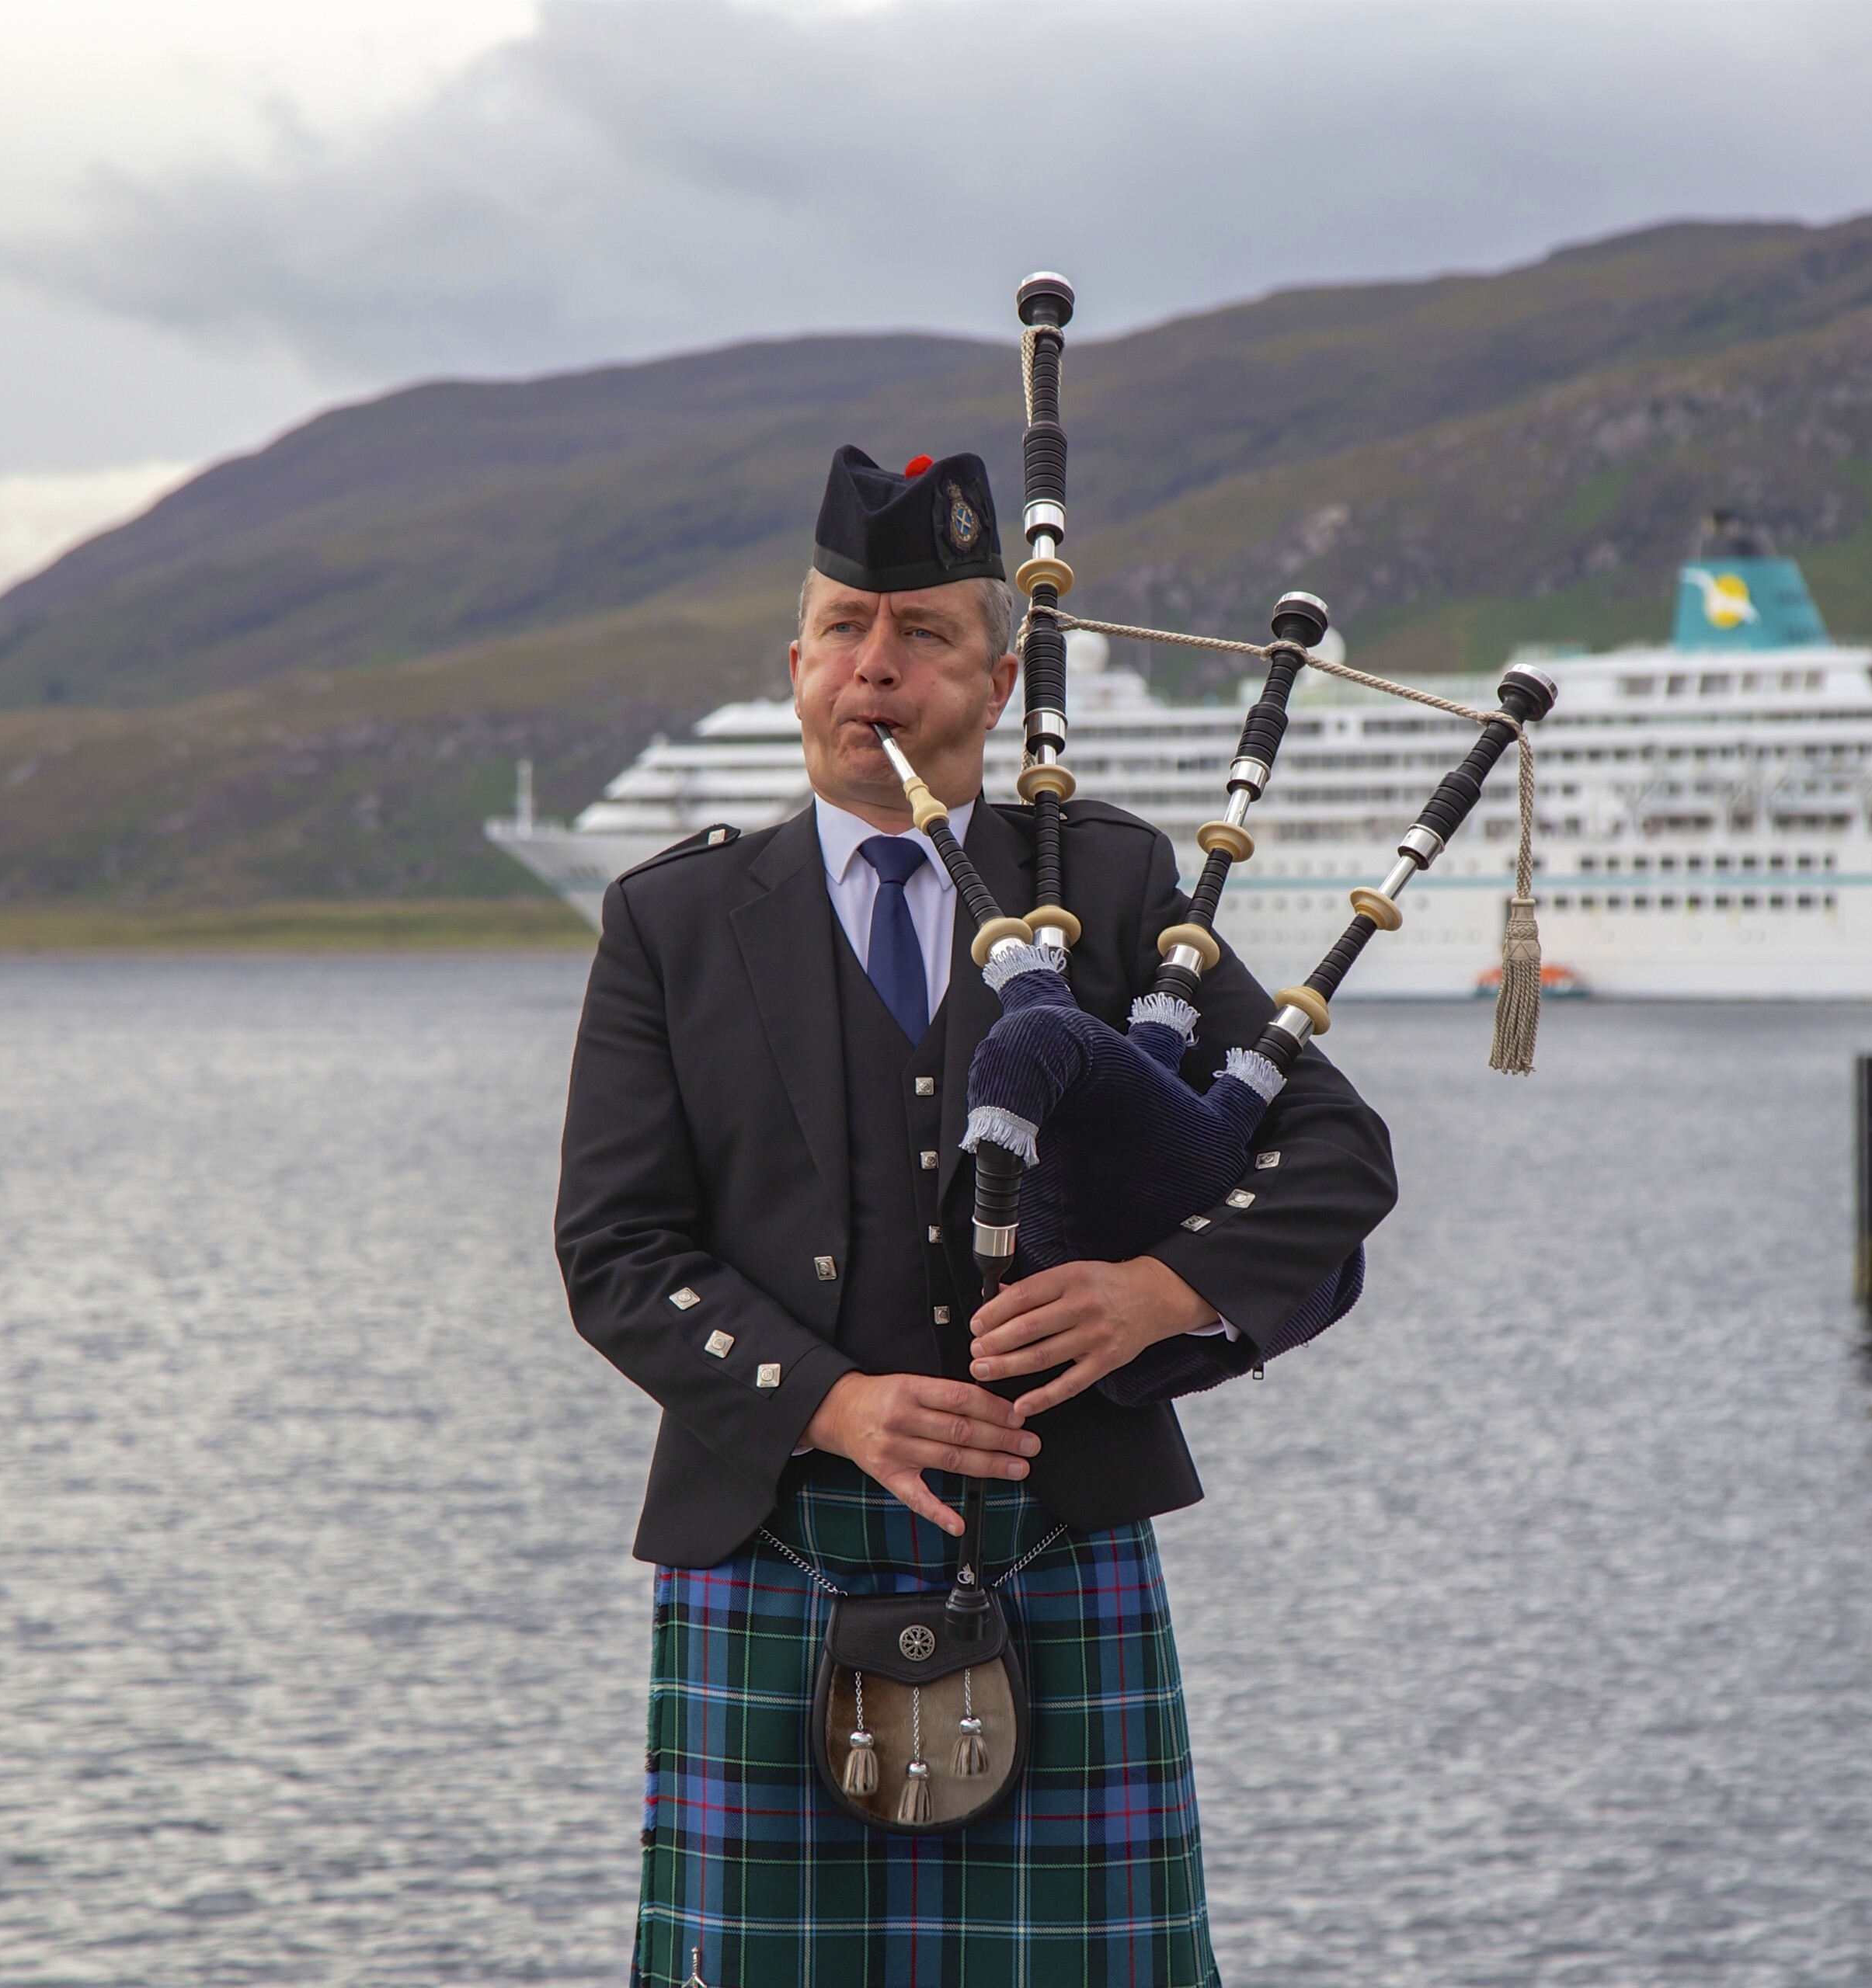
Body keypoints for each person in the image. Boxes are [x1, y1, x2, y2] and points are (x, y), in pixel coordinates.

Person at [555, 445, 1396, 1985]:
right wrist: (834, 1400)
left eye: (924, 635)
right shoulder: (670, 923)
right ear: (795, 663)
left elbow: (1335, 1155)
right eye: (843, 630)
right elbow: (617, 1251)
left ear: (1000, 681)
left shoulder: (1119, 884)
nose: (875, 669)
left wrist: (1162, 1287)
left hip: (1052, 1528)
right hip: (775, 1536)